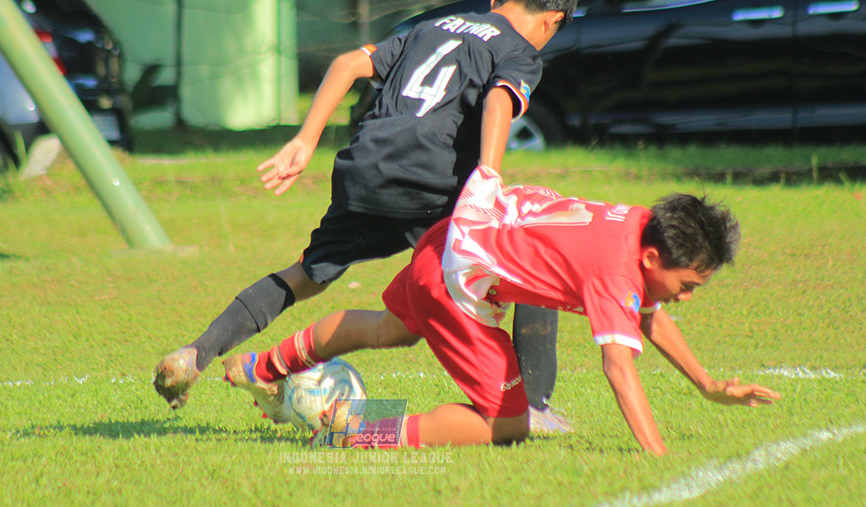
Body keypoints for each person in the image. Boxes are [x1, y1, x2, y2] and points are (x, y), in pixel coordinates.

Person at [154, 0, 579, 431]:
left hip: (365, 169)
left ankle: (200, 353)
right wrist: (488, 179)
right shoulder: (520, 50)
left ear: (497, 0)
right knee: (528, 255)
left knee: (308, 277)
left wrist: (305, 140)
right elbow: (500, 99)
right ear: (553, 20)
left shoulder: (431, 27)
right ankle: (532, 407)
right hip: (429, 184)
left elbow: (347, 63)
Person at [223, 166, 781, 454]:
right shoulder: (617, 272)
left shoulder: (639, 223)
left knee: (390, 329)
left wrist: (707, 384)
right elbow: (618, 365)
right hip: (457, 283)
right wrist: (655, 452)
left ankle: (263, 367)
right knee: (509, 425)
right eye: (687, 285)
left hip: (450, 239)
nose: (686, 297)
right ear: (654, 258)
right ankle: (354, 431)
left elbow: (647, 311)